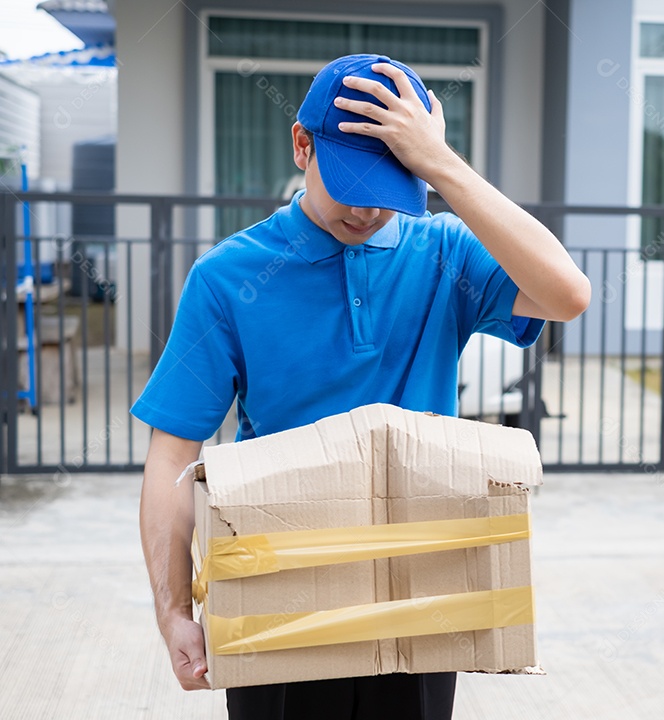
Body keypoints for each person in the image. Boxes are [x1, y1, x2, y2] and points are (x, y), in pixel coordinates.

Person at [133, 54, 590, 720]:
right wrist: (174, 613)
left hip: (417, 602)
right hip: (275, 597)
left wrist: (442, 165)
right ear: (301, 145)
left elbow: (568, 294)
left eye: (394, 183)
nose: (371, 207)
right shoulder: (229, 277)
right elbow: (172, 458)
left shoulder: (443, 255)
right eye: (354, 181)